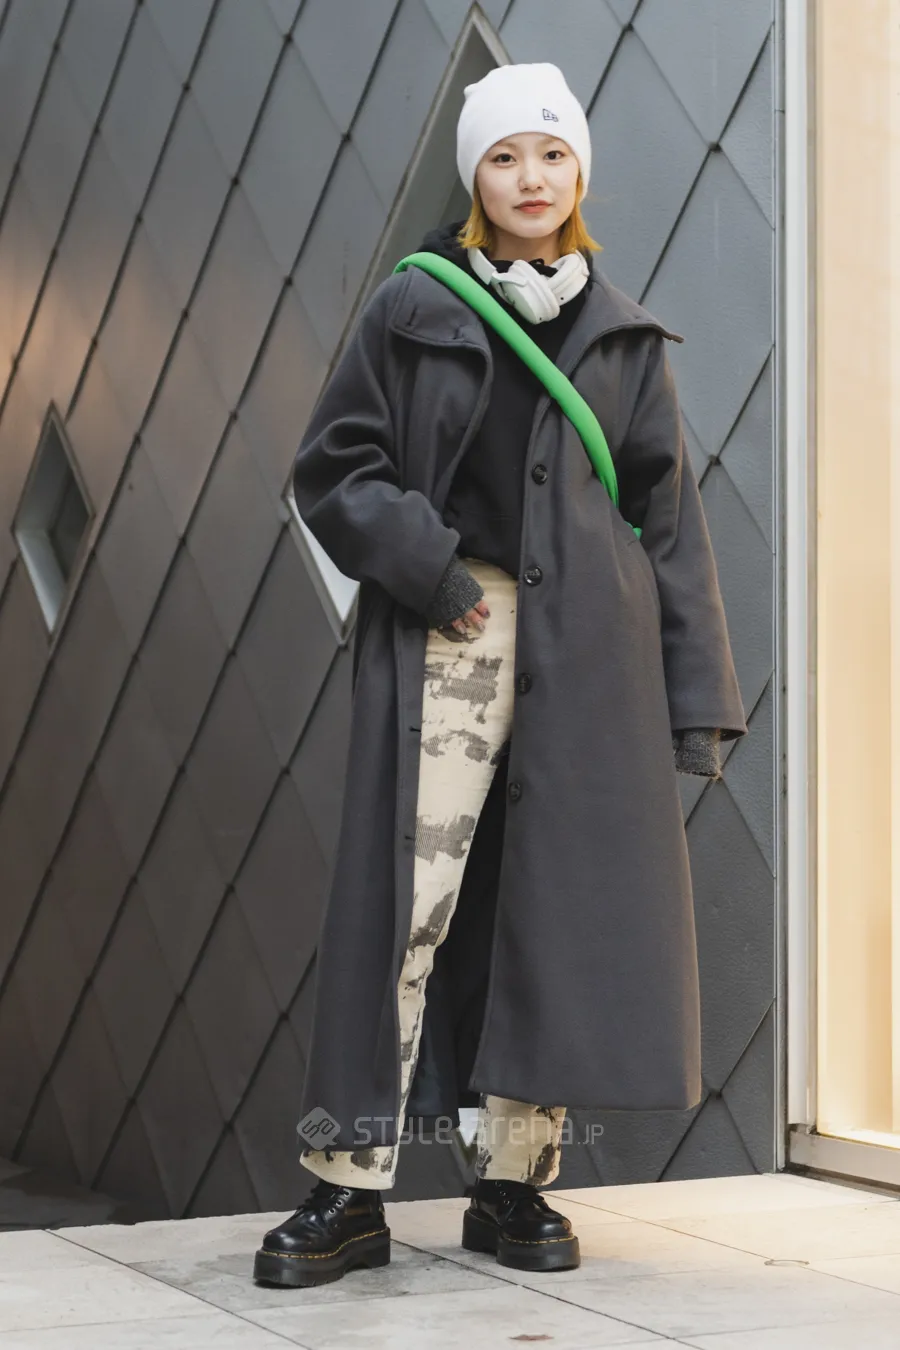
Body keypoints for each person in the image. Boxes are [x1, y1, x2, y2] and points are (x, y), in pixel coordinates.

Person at [254, 62, 747, 1290]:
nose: (532, 178)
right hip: (451, 635)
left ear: (579, 173)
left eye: (553, 155)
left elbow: (667, 524)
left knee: (545, 914)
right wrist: (429, 568)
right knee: (404, 910)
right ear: (475, 176)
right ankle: (346, 1187)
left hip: (588, 658)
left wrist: (696, 697)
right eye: (506, 157)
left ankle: (512, 1185)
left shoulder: (624, 336)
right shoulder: (414, 307)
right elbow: (333, 467)